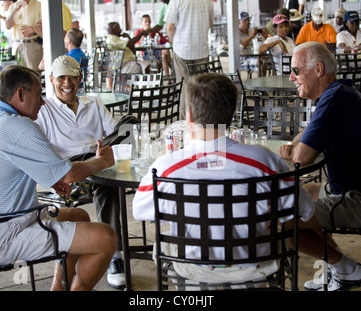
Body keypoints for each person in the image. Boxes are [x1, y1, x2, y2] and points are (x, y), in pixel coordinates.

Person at [132, 73, 315, 285]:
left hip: (193, 268)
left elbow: (139, 211)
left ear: (189, 116)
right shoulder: (265, 161)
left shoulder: (165, 168)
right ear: (232, 114)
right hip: (255, 265)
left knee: (161, 245)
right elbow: (305, 209)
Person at [0, 65, 118, 291]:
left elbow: (14, 165)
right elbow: (69, 174)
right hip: (2, 234)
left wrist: (53, 177)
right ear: (21, 94)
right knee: (107, 238)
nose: (43, 101)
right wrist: (101, 162)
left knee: (79, 215)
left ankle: (58, 288)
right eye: (38, 93)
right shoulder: (19, 126)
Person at [278, 42, 361, 291]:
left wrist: (296, 147)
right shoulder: (339, 92)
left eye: (296, 70)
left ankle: (345, 269)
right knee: (300, 192)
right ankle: (339, 268)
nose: (291, 77)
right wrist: (294, 141)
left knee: (281, 223)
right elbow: (307, 132)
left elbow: (301, 159)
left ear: (317, 69)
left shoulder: (333, 100)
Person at [35, 55, 138, 289]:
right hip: (71, 172)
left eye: (72, 77)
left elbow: (116, 135)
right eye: (61, 78)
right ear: (52, 80)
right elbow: (37, 149)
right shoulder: (44, 110)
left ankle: (114, 254)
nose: (67, 83)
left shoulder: (94, 103)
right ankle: (114, 256)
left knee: (128, 126)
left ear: (80, 78)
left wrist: (104, 152)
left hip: (97, 163)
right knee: (104, 178)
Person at [164, 0, 214, 120]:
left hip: (182, 50)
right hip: (201, 50)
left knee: (184, 89)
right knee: (202, 87)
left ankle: (185, 123)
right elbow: (210, 23)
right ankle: (202, 120)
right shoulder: (207, 1)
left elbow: (170, 27)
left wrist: (172, 42)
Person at [105, 21, 149, 88]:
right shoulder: (111, 38)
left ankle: (141, 88)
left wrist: (128, 37)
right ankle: (145, 88)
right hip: (124, 64)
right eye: (118, 28)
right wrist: (141, 34)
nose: (120, 30)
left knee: (148, 65)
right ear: (113, 30)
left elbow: (133, 50)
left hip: (128, 62)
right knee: (148, 66)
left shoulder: (116, 38)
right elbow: (129, 44)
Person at [5, 0, 42, 70]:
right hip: (17, 45)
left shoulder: (38, 5)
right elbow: (8, 26)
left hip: (32, 45)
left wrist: (33, 30)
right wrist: (16, 9)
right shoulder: (13, 7)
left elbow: (46, 26)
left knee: (33, 75)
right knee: (17, 76)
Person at [238, 11, 268, 76]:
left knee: (264, 60)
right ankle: (260, 83)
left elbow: (263, 43)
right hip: (242, 59)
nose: (247, 22)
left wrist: (264, 36)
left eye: (248, 20)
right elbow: (240, 46)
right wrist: (251, 36)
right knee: (260, 62)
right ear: (239, 21)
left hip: (255, 55)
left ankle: (262, 82)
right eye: (245, 20)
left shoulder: (251, 31)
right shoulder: (236, 32)